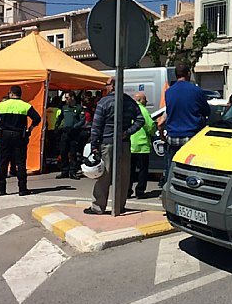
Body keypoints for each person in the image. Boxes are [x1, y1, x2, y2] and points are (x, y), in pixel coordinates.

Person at [86, 77, 145, 215]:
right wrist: (127, 132)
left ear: (112, 86)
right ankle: (119, 206)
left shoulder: (104, 102)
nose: (105, 87)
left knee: (104, 176)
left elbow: (96, 126)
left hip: (107, 143)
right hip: (124, 143)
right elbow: (140, 120)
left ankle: (98, 206)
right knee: (123, 176)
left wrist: (94, 144)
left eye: (106, 84)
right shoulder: (129, 102)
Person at [0, 85, 41, 196]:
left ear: (11, 93)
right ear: (20, 94)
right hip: (19, 136)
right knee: (20, 162)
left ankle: (2, 189)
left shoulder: (2, 105)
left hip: (4, 135)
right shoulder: (25, 106)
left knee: (2, 162)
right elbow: (37, 118)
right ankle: (22, 189)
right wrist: (30, 128)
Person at [163, 62, 210, 183]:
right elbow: (207, 111)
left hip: (173, 136)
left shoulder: (169, 92)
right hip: (192, 136)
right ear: (188, 73)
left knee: (172, 167)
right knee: (192, 168)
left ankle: (170, 186)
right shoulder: (196, 91)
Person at [128, 92, 157, 199]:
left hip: (131, 144)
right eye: (145, 100)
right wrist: (153, 132)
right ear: (140, 100)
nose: (146, 102)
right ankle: (140, 192)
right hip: (142, 145)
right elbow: (150, 126)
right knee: (142, 170)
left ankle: (127, 191)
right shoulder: (143, 110)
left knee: (129, 171)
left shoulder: (129, 109)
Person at [55, 91, 85, 180]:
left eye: (67, 98)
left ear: (72, 98)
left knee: (73, 153)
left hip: (74, 132)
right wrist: (57, 126)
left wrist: (75, 127)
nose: (66, 100)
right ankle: (64, 171)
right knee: (63, 151)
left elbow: (82, 120)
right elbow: (60, 117)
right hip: (65, 132)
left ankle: (73, 171)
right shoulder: (64, 107)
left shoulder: (79, 108)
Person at [0, 95, 17, 177]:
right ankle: (1, 172)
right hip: (2, 135)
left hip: (12, 135)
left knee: (13, 153)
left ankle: (13, 170)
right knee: (2, 155)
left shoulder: (12, 111)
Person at [44, 95, 61, 167]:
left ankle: (48, 161)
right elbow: (60, 121)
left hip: (49, 130)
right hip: (56, 130)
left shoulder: (47, 110)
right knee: (55, 147)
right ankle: (54, 162)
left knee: (49, 146)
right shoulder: (59, 111)